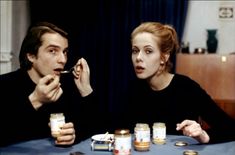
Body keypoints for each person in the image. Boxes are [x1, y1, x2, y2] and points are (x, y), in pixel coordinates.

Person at [115, 22, 235, 144]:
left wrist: (204, 135)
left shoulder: (187, 88)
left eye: (148, 51)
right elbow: (115, 130)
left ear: (164, 57)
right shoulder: (133, 89)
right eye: (135, 51)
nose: (138, 58)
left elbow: (230, 128)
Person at [0, 22, 97, 147]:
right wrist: (35, 101)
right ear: (31, 55)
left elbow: (97, 128)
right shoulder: (5, 86)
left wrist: (86, 90)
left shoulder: (66, 86)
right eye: (52, 51)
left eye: (65, 52)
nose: (63, 60)